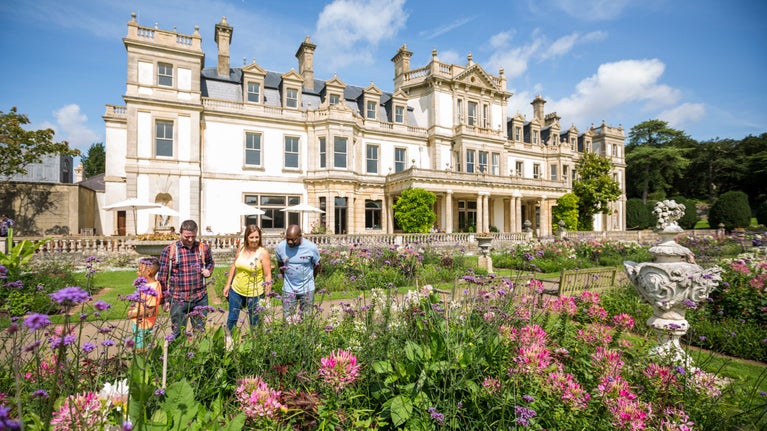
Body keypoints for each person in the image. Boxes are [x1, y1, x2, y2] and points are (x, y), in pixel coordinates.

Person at [157, 219, 215, 341]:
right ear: (180, 233)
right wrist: (164, 300)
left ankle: (197, 358)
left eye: (193, 236)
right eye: (187, 237)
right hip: (178, 299)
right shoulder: (170, 250)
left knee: (199, 333)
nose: (190, 240)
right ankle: (177, 358)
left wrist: (208, 271)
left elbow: (210, 262)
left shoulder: (203, 248)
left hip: (200, 298)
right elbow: (162, 276)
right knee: (178, 334)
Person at [223, 225, 272, 345]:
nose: (254, 240)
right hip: (236, 290)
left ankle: (255, 345)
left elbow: (267, 276)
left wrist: (267, 296)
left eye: (256, 237)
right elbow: (234, 266)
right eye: (251, 237)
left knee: (254, 321)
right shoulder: (241, 248)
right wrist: (228, 284)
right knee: (232, 318)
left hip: (255, 292)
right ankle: (228, 343)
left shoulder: (263, 253)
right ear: (246, 237)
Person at [275, 224, 320, 319]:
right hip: (289, 289)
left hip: (307, 288)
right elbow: (280, 265)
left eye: (293, 239)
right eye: (288, 239)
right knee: (288, 320)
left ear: (300, 236)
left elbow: (317, 265)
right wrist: (286, 278)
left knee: (306, 320)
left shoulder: (311, 247)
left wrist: (311, 279)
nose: (290, 242)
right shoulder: (281, 247)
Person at [127, 257, 162, 351]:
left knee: (140, 349)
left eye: (140, 270)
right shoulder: (151, 285)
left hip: (142, 324)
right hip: (142, 322)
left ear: (149, 272)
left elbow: (151, 310)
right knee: (145, 346)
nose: (137, 272)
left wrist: (132, 314)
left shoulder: (152, 288)